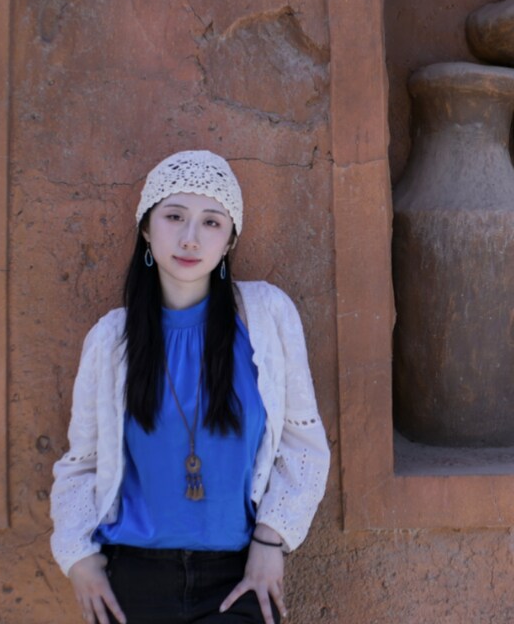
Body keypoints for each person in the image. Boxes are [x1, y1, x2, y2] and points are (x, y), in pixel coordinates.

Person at [50, 150, 330, 624]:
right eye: (174, 216)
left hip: (237, 579)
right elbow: (83, 462)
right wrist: (78, 557)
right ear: (146, 227)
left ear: (229, 239)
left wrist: (271, 541)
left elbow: (303, 444)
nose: (190, 238)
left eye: (211, 222)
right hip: (133, 581)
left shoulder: (266, 316)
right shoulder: (111, 339)